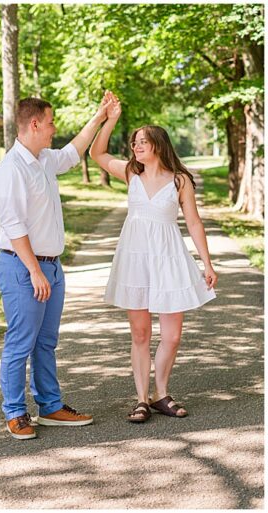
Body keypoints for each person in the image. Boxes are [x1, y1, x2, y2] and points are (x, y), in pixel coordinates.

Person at [89, 91, 217, 423]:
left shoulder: (179, 180)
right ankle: (142, 399)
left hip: (169, 257)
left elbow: (193, 222)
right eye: (134, 143)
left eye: (142, 142)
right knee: (141, 333)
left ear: (158, 144)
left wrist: (207, 263)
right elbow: (97, 153)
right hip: (135, 258)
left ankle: (162, 393)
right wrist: (110, 119)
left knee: (172, 334)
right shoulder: (131, 173)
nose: (136, 146)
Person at [0, 97, 108, 440]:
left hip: (51, 267)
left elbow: (74, 152)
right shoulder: (11, 168)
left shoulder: (43, 160)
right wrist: (34, 271)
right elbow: (13, 225)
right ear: (35, 125)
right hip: (22, 267)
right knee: (20, 342)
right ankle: (14, 412)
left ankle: (51, 406)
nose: (56, 127)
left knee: (46, 342)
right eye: (52, 122)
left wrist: (99, 116)